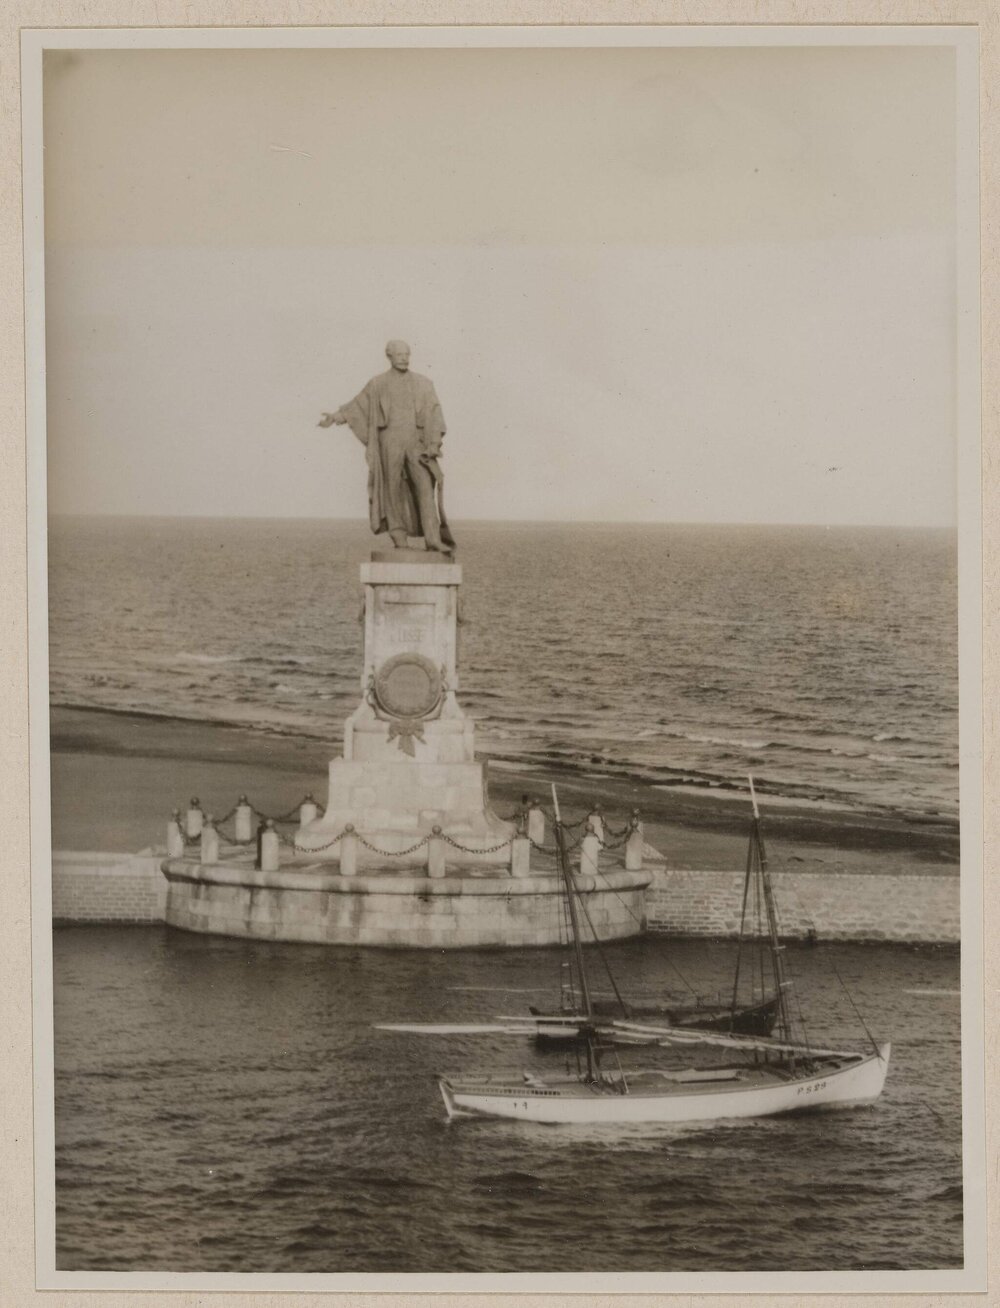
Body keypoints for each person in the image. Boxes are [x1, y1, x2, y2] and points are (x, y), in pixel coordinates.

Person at [319, 341, 455, 554]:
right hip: (388, 442)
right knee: (391, 490)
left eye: (407, 354)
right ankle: (399, 537)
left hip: (416, 442)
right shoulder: (378, 384)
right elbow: (358, 406)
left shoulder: (423, 383)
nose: (404, 358)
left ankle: (433, 538)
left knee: (425, 488)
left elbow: (435, 415)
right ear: (389, 356)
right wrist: (335, 417)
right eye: (399, 354)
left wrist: (434, 443)